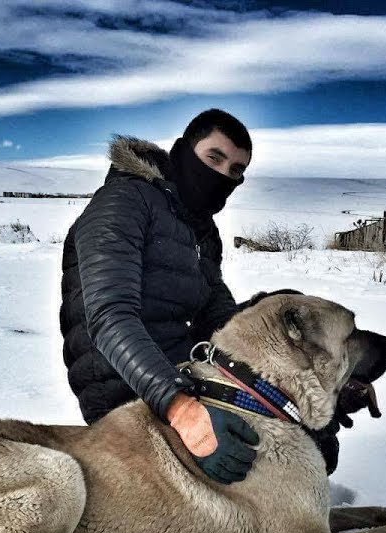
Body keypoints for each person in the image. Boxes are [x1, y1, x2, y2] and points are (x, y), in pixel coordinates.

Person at [59, 108, 258, 485]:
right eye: (213, 158)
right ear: (183, 150)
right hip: (126, 390)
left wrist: (289, 358)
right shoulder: (123, 203)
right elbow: (108, 316)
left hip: (186, 375)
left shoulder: (199, 226)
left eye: (235, 171)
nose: (222, 175)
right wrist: (179, 407)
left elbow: (217, 313)